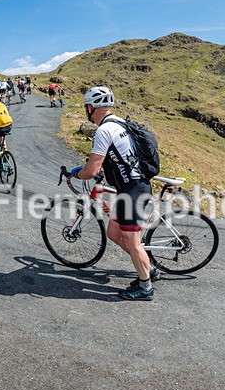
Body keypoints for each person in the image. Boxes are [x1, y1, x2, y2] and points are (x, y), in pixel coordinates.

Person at [66, 86, 158, 301]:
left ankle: (145, 288)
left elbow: (90, 170)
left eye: (85, 107)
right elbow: (118, 157)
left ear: (91, 107)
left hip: (133, 191)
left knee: (133, 242)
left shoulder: (103, 130)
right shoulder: (119, 123)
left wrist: (76, 174)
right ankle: (149, 270)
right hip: (131, 188)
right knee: (114, 234)